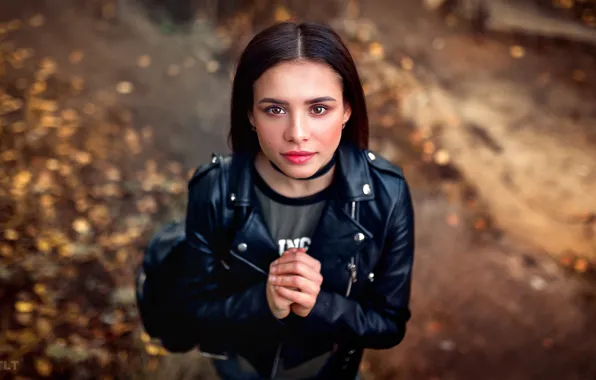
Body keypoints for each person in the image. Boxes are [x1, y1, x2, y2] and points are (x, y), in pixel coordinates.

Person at [164, 21, 415, 380]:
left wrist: (321, 306)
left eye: (318, 109)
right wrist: (263, 302)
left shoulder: (387, 194)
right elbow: (195, 313)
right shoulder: (214, 190)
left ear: (347, 111)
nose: (297, 134)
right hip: (242, 370)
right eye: (275, 109)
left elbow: (389, 324)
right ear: (250, 114)